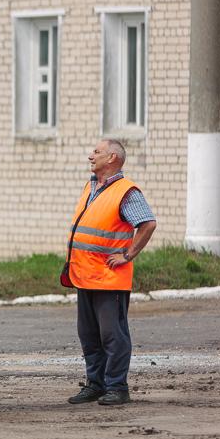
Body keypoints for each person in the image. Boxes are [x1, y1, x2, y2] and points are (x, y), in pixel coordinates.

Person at [64, 139, 157, 406]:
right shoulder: (91, 186)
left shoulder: (126, 191)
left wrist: (128, 255)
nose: (90, 156)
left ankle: (117, 387)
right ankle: (95, 385)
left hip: (109, 278)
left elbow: (148, 224)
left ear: (112, 158)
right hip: (84, 275)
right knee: (89, 335)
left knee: (112, 336)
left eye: (97, 152)